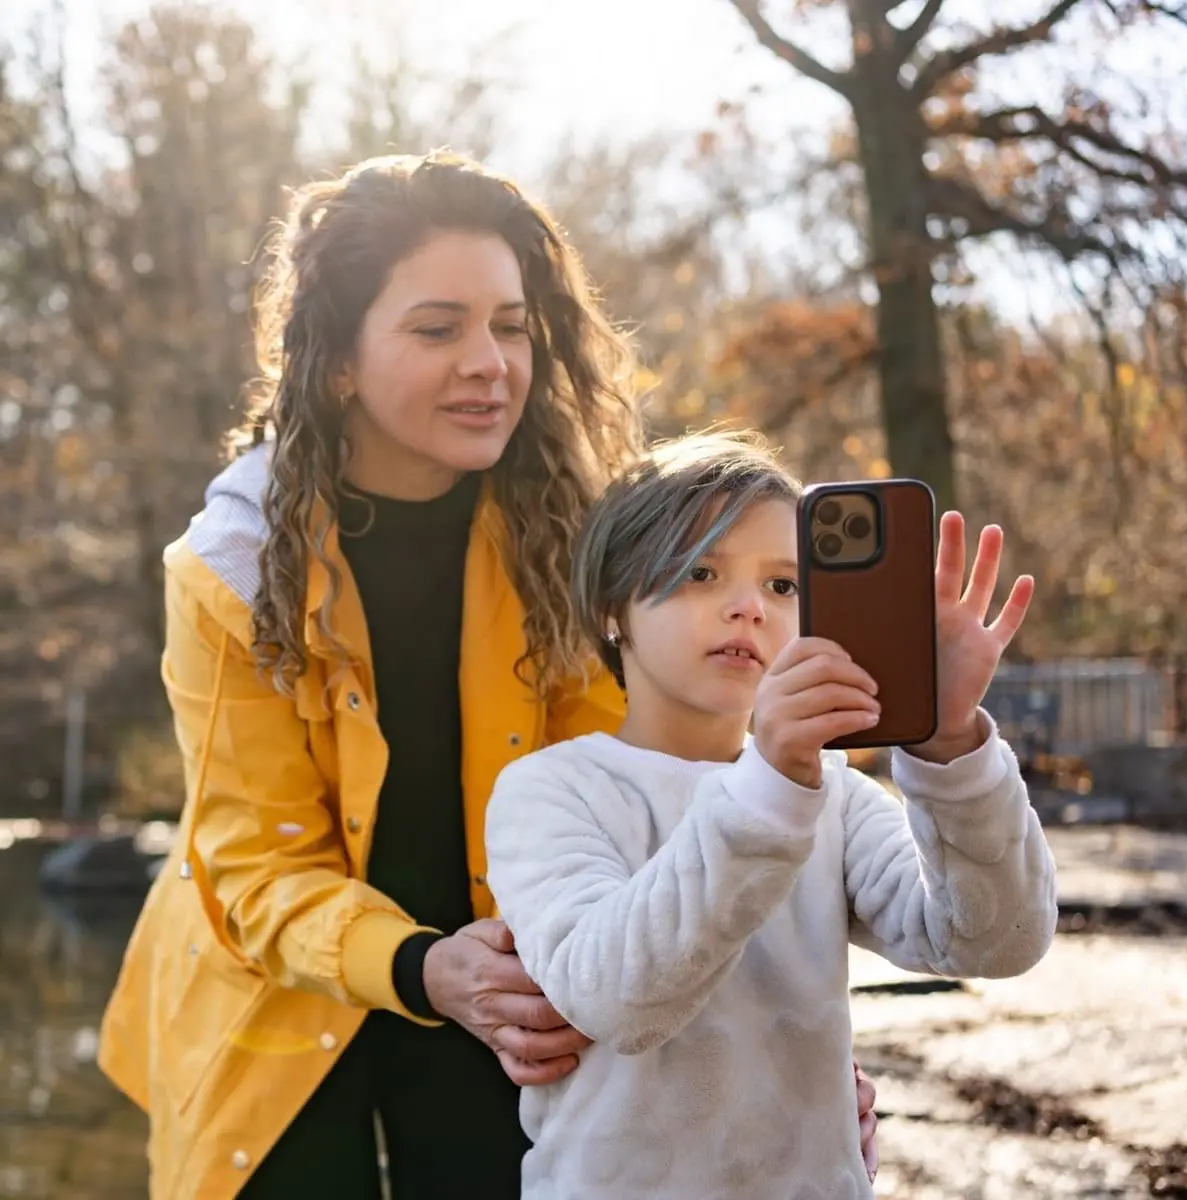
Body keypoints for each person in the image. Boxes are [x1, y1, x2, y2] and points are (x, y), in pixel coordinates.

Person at [96, 152, 881, 1199]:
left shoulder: (583, 538)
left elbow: (671, 804)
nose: (491, 362)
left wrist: (788, 1051)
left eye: (510, 325)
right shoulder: (225, 571)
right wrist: (424, 965)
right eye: (439, 328)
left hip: (524, 974)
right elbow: (253, 870)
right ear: (336, 360)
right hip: (278, 994)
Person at [485, 432, 1059, 1199]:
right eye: (700, 572)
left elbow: (994, 940)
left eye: (785, 586)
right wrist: (772, 785)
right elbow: (613, 998)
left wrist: (950, 746)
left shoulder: (834, 796)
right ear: (611, 607)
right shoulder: (552, 790)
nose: (748, 607)